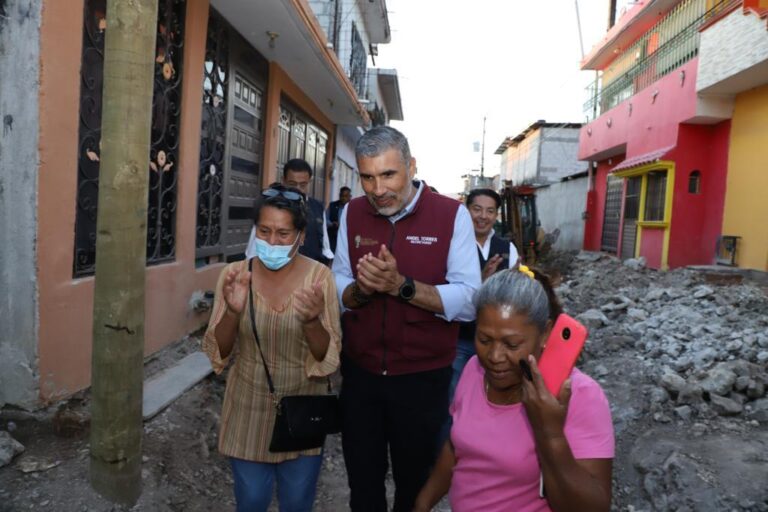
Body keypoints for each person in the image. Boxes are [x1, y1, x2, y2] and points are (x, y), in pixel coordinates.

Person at [332, 126, 481, 511]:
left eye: (388, 175)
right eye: (367, 177)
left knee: (414, 486)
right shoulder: (352, 212)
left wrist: (401, 286)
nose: (377, 189)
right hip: (361, 377)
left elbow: (469, 299)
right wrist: (361, 291)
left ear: (412, 166)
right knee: (363, 485)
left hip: (422, 381)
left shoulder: (452, 215)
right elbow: (339, 280)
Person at [414, 268, 614, 512]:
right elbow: (456, 446)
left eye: (512, 344)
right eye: (484, 340)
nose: (494, 357)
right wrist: (423, 503)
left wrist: (550, 432)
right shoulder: (473, 370)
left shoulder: (580, 395)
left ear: (545, 334)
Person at [203, 184, 342, 512]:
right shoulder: (235, 275)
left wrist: (311, 322)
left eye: (283, 233)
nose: (272, 242)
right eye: (264, 231)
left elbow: (328, 358)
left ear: (301, 235)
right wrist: (233, 313)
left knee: (297, 501)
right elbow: (219, 352)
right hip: (247, 404)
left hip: (302, 407)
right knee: (251, 499)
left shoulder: (320, 278)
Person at [451, 188, 521, 398]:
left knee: (490, 397)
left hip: (496, 342)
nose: (483, 216)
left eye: (490, 211)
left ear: (496, 215)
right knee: (454, 397)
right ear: (466, 210)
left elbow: (514, 294)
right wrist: (481, 283)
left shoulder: (507, 248)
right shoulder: (452, 245)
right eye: (477, 209)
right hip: (459, 339)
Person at [245, 159, 334, 264]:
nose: (298, 189)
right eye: (292, 184)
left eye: (303, 185)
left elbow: (325, 247)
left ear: (309, 182)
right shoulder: (270, 207)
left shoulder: (318, 208)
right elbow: (252, 252)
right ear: (284, 181)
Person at [326, 185, 351, 254]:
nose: (343, 198)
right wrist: (332, 224)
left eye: (346, 196)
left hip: (346, 239)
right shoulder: (332, 205)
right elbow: (325, 220)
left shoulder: (353, 208)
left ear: (350, 197)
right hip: (333, 237)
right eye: (342, 195)